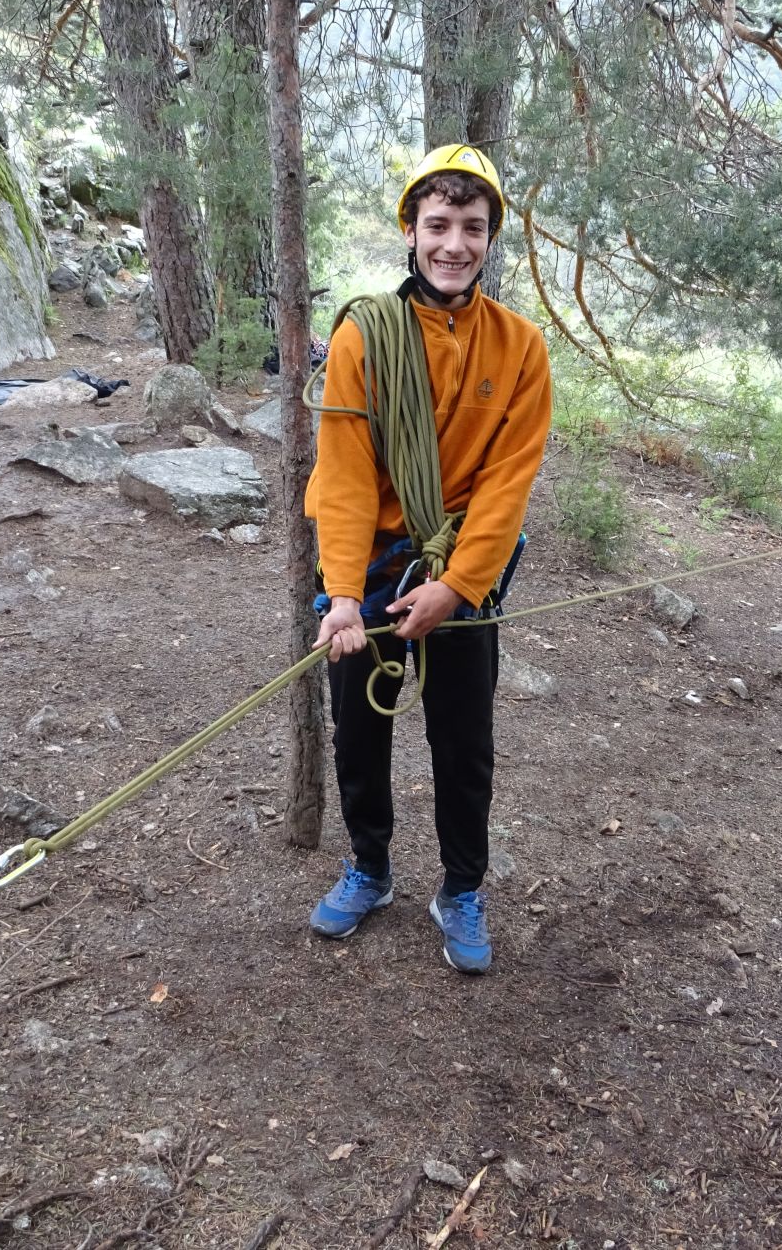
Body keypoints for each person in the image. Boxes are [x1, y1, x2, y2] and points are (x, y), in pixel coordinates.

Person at [303, 144, 553, 973]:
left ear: (491, 238)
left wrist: (458, 584)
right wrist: (341, 594)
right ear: (409, 231)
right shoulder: (364, 335)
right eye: (438, 225)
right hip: (371, 564)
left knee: (463, 736)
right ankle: (370, 868)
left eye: (472, 228)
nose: (454, 244)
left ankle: (462, 887)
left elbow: (508, 481)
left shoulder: (521, 348)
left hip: (464, 566)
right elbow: (340, 473)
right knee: (359, 730)